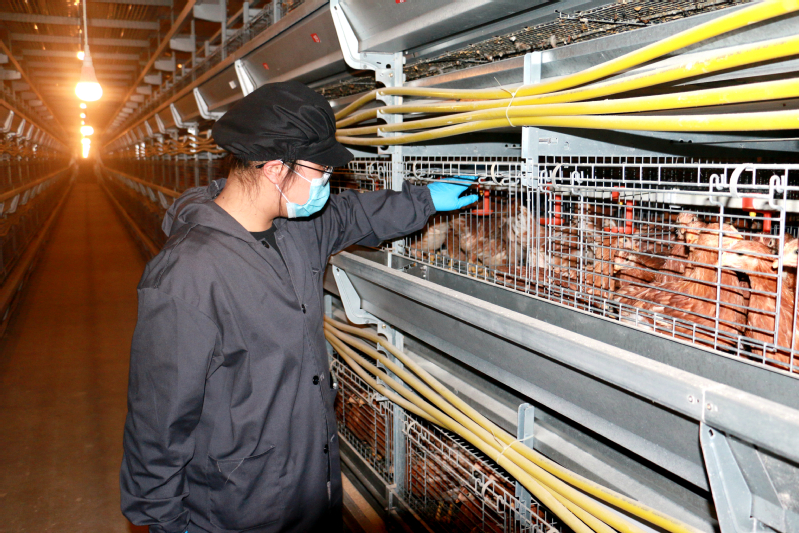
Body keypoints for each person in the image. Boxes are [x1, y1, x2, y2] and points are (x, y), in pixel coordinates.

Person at [120, 81, 477, 533]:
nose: (327, 180)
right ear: (275, 169)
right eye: (321, 170)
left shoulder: (296, 229)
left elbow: (355, 214)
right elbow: (158, 423)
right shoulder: (186, 277)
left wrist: (425, 200)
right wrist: (167, 524)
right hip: (237, 509)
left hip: (311, 485)